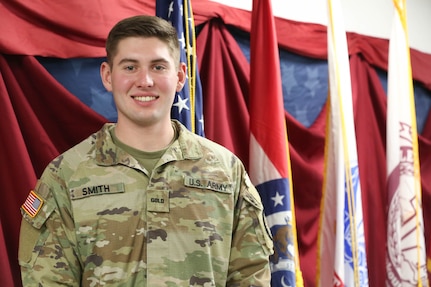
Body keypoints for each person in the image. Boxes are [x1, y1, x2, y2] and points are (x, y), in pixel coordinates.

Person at [18, 15, 273, 286]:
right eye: (130, 67)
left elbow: (251, 274)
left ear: (179, 77)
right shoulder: (65, 175)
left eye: (159, 67)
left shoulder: (225, 171)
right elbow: (46, 279)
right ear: (107, 75)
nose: (145, 81)